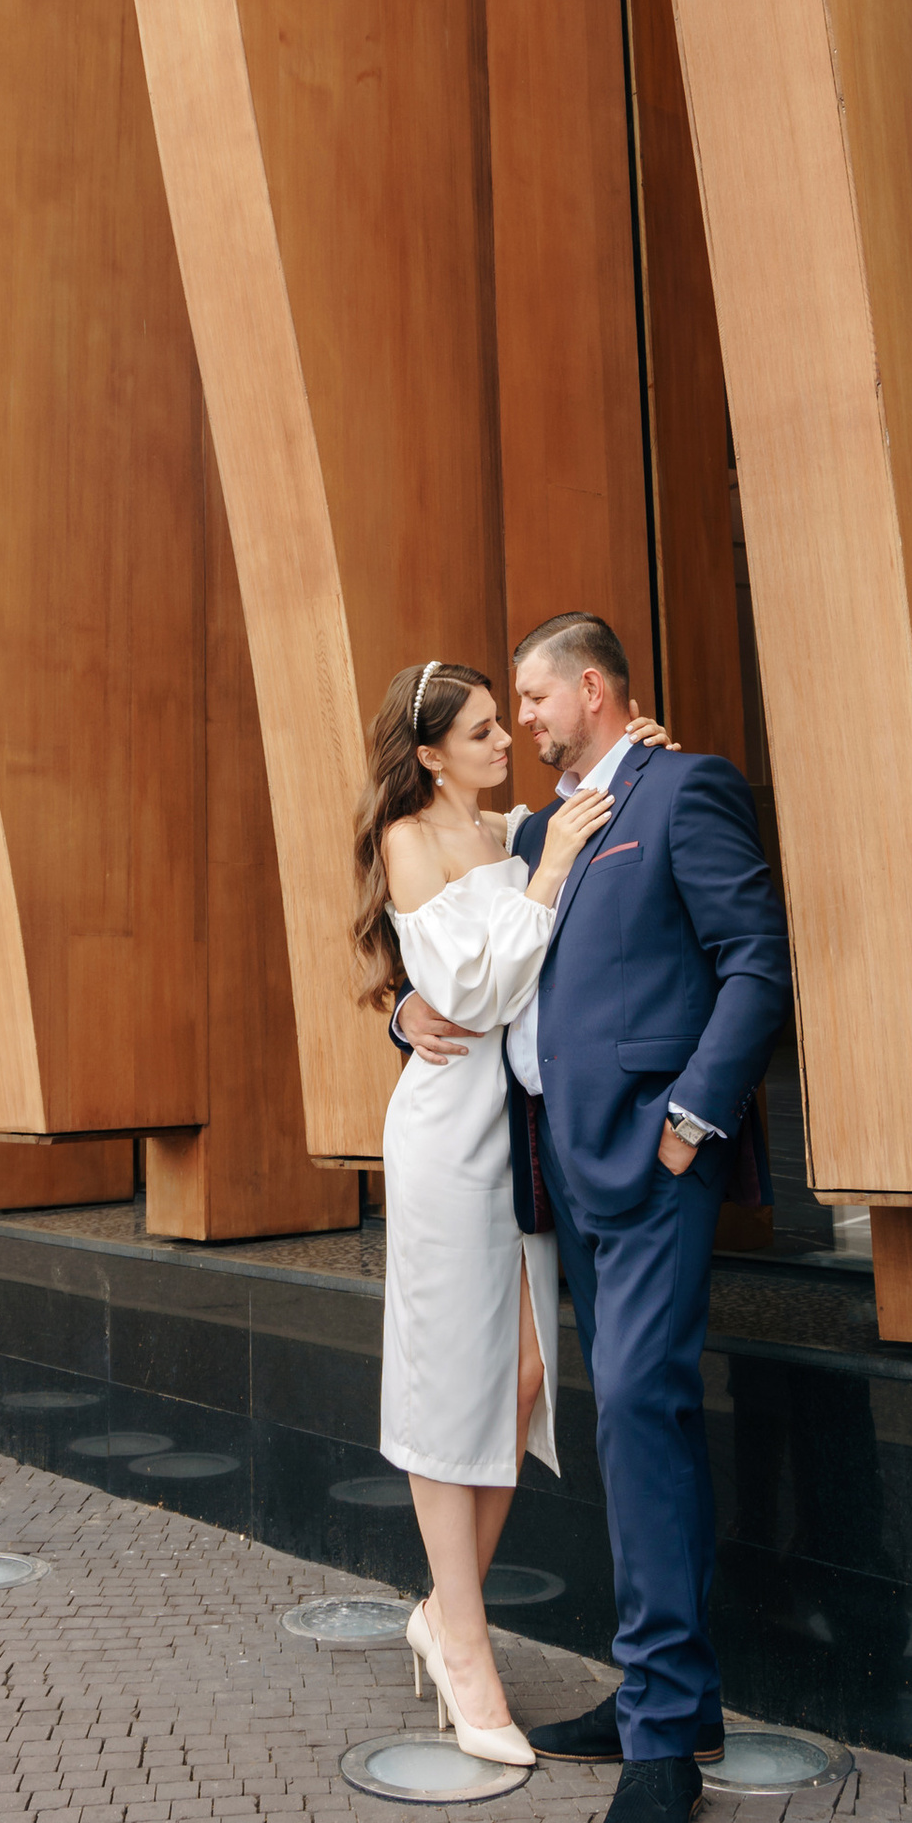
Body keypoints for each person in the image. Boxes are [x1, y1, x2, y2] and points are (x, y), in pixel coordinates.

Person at [396, 611, 791, 1823]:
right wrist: (400, 1013)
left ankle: (665, 1733)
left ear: (595, 688)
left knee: (634, 1411)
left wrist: (693, 1117)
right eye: (502, 707)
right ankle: (665, 1700)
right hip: (563, 1174)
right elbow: (444, 934)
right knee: (630, 1420)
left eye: (531, 696)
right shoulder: (539, 823)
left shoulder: (683, 789)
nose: (519, 719)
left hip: (652, 1158)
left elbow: (755, 962)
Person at [353, 657, 612, 1766]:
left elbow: (514, 983)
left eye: (506, 723)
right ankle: (466, 1646)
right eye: (479, 733)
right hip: (445, 1139)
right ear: (427, 757)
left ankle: (440, 1611)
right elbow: (469, 993)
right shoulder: (416, 839)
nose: (504, 741)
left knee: (523, 1377)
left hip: (515, 1131)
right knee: (442, 1385)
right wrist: (545, 867)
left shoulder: (511, 827)